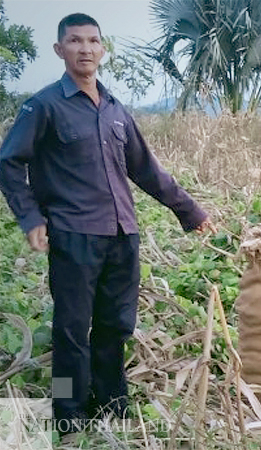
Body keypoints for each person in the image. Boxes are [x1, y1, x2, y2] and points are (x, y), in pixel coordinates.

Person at [0, 13, 215, 438]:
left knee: (116, 325)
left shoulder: (116, 109)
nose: (85, 49)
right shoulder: (43, 106)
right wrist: (30, 217)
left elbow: (146, 170)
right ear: (60, 50)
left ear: (103, 49)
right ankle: (67, 414)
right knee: (71, 329)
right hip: (74, 235)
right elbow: (9, 161)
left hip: (122, 235)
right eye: (75, 41)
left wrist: (191, 211)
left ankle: (112, 404)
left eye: (93, 41)